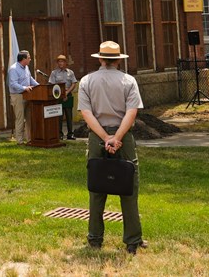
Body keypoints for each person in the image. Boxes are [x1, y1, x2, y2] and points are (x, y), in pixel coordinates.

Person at [78, 40, 146, 255]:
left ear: (100, 59)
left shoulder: (86, 81)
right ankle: (132, 241)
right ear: (118, 59)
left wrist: (105, 137)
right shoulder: (129, 80)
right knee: (129, 189)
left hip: (96, 137)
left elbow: (86, 113)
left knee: (97, 188)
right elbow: (131, 112)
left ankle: (95, 239)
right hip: (123, 137)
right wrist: (116, 138)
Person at [7, 50, 37, 144]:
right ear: (23, 59)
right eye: (29, 58)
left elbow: (30, 79)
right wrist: (24, 88)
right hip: (18, 96)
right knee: (20, 118)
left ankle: (30, 139)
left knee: (29, 118)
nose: (30, 59)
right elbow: (13, 84)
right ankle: (19, 141)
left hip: (28, 95)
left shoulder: (26, 67)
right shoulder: (13, 69)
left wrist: (39, 86)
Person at [49, 54, 79, 140]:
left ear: (66, 63)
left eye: (62, 61)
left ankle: (70, 134)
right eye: (59, 62)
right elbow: (52, 84)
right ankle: (60, 134)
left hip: (68, 95)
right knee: (59, 116)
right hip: (58, 96)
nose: (60, 63)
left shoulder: (70, 72)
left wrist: (67, 92)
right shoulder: (54, 73)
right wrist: (61, 93)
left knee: (69, 115)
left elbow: (74, 83)